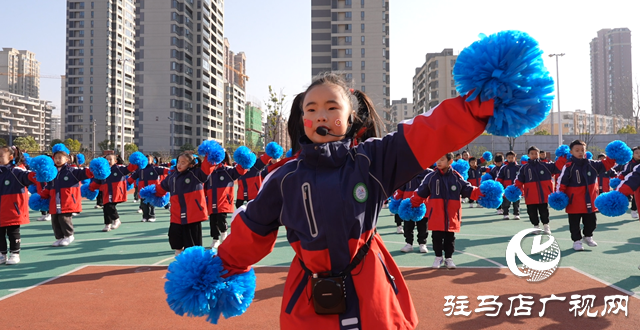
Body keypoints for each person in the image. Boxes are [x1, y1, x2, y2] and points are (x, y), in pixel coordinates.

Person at [164, 31, 556, 328]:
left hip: (371, 283)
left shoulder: (375, 159)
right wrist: (218, 270)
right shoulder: (283, 178)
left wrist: (482, 102)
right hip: (308, 292)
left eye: (331, 107)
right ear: (302, 121)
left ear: (350, 118)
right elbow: (252, 231)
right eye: (311, 109)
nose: (320, 115)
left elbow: (432, 130)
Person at [408, 153, 489, 269]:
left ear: (450, 161)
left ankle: (449, 258)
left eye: (442, 160)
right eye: (437, 160)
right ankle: (438, 257)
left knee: (450, 237)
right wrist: (412, 204)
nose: (439, 162)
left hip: (452, 214)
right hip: (436, 213)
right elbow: (421, 192)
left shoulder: (456, 177)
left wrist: (483, 193)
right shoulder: (431, 177)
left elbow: (468, 190)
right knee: (436, 237)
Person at [556, 140, 617, 251]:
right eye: (577, 150)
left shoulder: (592, 164)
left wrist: (614, 154)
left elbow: (607, 164)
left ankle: (588, 236)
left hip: (590, 200)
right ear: (571, 152)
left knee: (592, 222)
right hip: (574, 201)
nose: (580, 152)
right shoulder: (569, 166)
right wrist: (559, 194)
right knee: (574, 223)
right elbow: (561, 182)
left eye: (582, 150)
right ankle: (577, 241)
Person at [156, 151, 215, 255]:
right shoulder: (172, 177)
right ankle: (179, 256)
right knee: (174, 238)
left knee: (193, 244)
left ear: (191, 164)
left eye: (183, 162)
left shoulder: (196, 173)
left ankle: (195, 265)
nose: (179, 165)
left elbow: (207, 167)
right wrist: (150, 193)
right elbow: (161, 188)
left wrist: (210, 155)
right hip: (176, 214)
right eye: (179, 161)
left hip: (193, 215)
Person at [40, 144, 97, 246]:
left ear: (67, 159)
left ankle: (69, 235)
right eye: (55, 158)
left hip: (67, 201)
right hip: (54, 200)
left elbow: (85, 172)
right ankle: (59, 237)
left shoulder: (72, 171)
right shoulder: (52, 172)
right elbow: (48, 186)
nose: (57, 160)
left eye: (60, 158)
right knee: (55, 220)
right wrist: (43, 195)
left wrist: (93, 170)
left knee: (64, 219)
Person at [511, 146, 565, 234]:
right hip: (530, 196)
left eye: (536, 153)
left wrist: (563, 156)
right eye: (532, 154)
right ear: (528, 155)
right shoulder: (524, 168)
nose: (534, 155)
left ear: (539, 154)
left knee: (544, 211)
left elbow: (557, 166)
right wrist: (514, 189)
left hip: (544, 195)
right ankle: (536, 226)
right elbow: (519, 180)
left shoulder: (546, 165)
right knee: (532, 213)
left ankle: (546, 226)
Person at [0, 146, 37, 264]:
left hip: (13, 210)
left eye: (1, 156)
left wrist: (39, 173)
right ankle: (2, 254)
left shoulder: (16, 171)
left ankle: (15, 253)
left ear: (11, 157)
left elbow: (29, 177)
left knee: (13, 232)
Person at [205, 151, 249, 249]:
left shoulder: (227, 170)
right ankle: (215, 239)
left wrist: (244, 161)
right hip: (211, 201)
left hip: (223, 201)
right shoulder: (208, 172)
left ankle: (224, 235)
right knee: (212, 221)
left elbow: (240, 171)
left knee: (221, 219)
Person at [89, 154, 136, 231]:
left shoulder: (119, 169)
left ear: (115, 161)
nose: (108, 161)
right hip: (106, 192)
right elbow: (97, 181)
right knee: (106, 207)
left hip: (116, 192)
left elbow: (129, 168)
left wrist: (135, 162)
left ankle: (116, 220)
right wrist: (91, 188)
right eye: (107, 159)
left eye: (110, 159)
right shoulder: (102, 170)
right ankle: (107, 224)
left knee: (109, 206)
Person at [396, 168, 433, 253]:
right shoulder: (406, 173)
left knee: (423, 225)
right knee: (408, 225)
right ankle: (409, 243)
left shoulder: (429, 173)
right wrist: (397, 199)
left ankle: (422, 243)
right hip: (408, 203)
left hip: (423, 203)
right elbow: (401, 188)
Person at [127, 154, 170, 222]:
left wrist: (173, 171)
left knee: (151, 204)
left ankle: (152, 216)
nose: (146, 161)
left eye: (148, 160)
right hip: (142, 190)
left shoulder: (155, 168)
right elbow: (133, 177)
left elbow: (166, 170)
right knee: (143, 204)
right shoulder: (140, 170)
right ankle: (145, 216)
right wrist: (128, 183)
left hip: (152, 190)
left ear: (152, 161)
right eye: (145, 160)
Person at [616, 146, 640, 219]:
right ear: (632, 154)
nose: (639, 154)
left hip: (634, 183)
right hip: (631, 182)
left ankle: (634, 209)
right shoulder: (628, 163)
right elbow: (623, 173)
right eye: (636, 153)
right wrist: (618, 180)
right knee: (634, 198)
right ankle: (633, 210)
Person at [497, 151, 521, 220]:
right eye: (509, 158)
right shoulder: (504, 168)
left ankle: (516, 214)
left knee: (516, 202)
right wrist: (498, 186)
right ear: (506, 158)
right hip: (506, 188)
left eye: (512, 157)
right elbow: (500, 178)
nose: (510, 159)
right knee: (506, 203)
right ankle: (506, 214)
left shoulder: (519, 167)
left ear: (515, 158)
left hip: (516, 188)